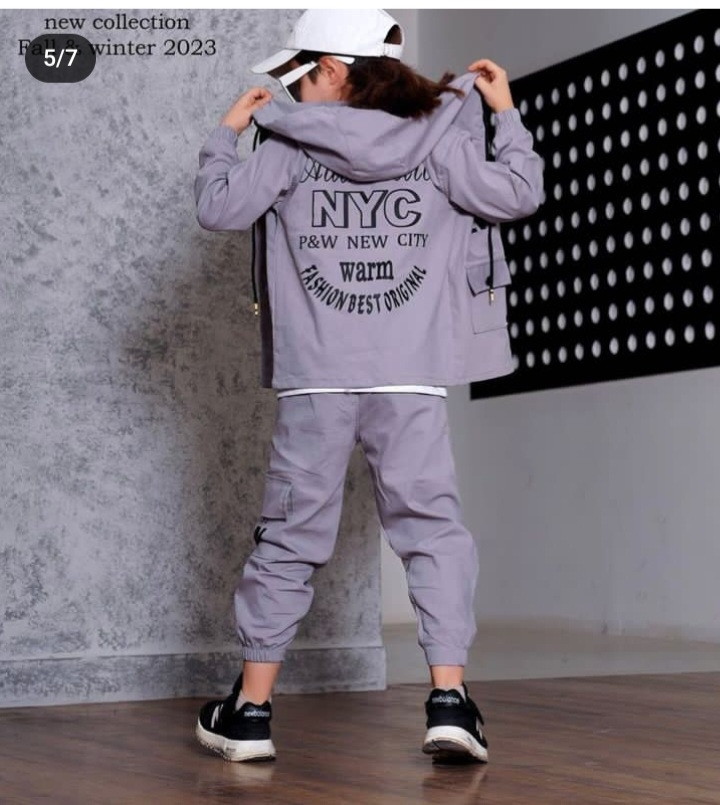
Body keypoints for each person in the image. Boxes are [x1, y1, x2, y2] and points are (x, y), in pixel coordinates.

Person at [193, 8, 543, 764]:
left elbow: (217, 207)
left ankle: (250, 713)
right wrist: (505, 114)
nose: (291, 89)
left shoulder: (287, 145)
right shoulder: (444, 139)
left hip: (316, 378)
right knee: (432, 530)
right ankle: (450, 701)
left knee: (290, 537)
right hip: (411, 375)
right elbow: (518, 193)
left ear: (331, 68)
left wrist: (226, 133)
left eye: (296, 73)